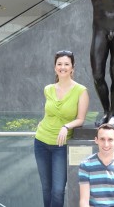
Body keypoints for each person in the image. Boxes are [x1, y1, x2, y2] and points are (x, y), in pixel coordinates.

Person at [34, 50, 89, 207]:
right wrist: (41, 123)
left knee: (58, 190)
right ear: (54, 67)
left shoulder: (81, 91)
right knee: (46, 188)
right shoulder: (48, 89)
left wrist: (66, 126)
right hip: (41, 141)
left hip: (61, 145)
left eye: (66, 64)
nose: (62, 67)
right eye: (59, 64)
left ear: (72, 68)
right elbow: (50, 113)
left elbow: (80, 119)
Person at [78, 123, 114, 207]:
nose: (106, 144)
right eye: (102, 139)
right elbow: (84, 201)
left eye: (110, 139)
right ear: (96, 140)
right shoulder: (85, 165)